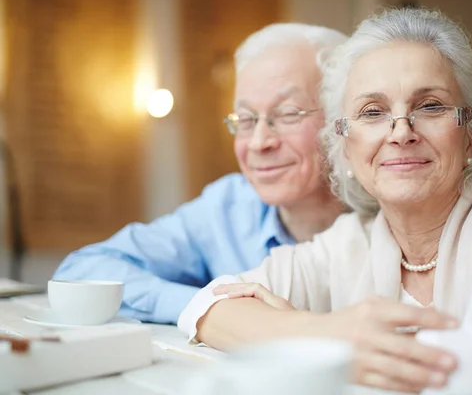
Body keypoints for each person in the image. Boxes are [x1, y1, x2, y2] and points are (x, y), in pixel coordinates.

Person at [177, 8, 472, 394]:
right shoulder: (353, 239)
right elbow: (206, 307)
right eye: (373, 112)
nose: (400, 132)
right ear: (344, 146)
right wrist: (324, 331)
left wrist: (315, 341)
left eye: (430, 106)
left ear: (469, 134)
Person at [52, 23, 350, 324]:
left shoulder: (385, 216)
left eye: (287, 114)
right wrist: (209, 307)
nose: (259, 142)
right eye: (245, 119)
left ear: (340, 120)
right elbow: (82, 270)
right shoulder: (227, 207)